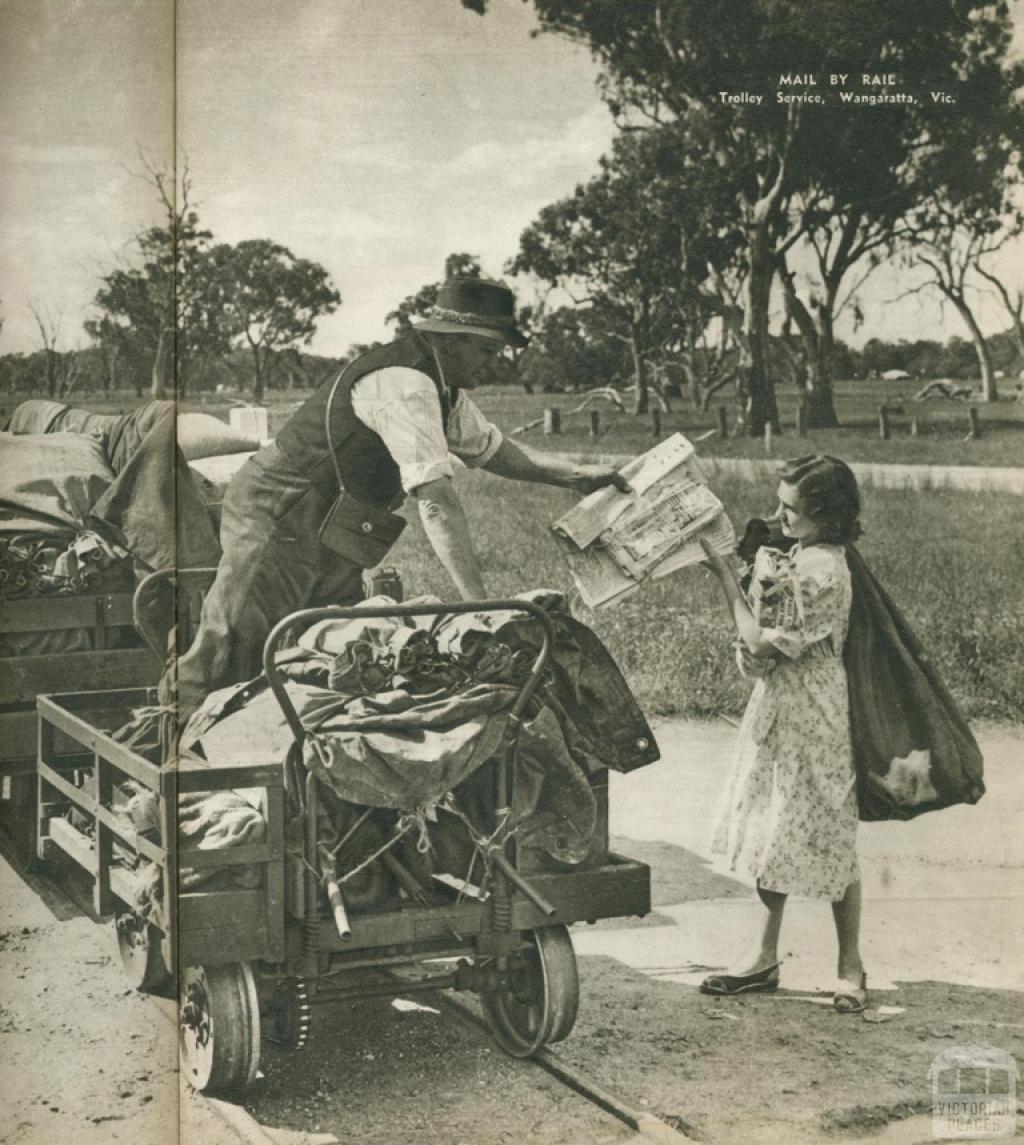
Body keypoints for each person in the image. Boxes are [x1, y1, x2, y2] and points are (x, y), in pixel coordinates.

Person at [171, 277, 628, 723]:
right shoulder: (404, 383)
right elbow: (435, 501)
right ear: (451, 341)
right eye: (486, 350)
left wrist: (579, 475)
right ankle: (171, 753)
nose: (494, 364)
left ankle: (286, 766)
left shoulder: (441, 384)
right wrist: (479, 607)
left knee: (328, 647)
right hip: (279, 509)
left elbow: (493, 450)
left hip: (336, 524)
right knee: (232, 642)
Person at [698, 455, 867, 1013]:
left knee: (828, 831)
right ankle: (764, 955)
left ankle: (850, 965)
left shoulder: (822, 571)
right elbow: (761, 650)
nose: (779, 516)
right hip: (781, 705)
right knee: (775, 830)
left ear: (826, 514)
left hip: (815, 712)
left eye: (790, 508)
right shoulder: (801, 559)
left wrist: (726, 577)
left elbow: (761, 640)